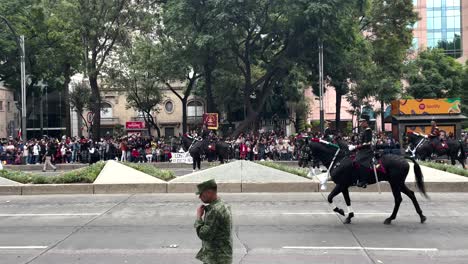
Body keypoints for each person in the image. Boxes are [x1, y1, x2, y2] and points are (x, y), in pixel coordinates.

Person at [194, 179, 233, 264]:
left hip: (216, 259)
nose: (199, 197)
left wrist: (198, 217)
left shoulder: (214, 211)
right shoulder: (223, 204)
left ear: (209, 192)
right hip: (223, 256)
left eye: (201, 194)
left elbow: (204, 234)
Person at [355, 115, 374, 188]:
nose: (360, 123)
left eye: (361, 122)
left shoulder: (368, 130)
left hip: (367, 150)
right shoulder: (363, 130)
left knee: (359, 161)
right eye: (360, 122)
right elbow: (360, 141)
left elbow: (367, 143)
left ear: (366, 122)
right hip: (362, 149)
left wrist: (357, 146)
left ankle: (364, 181)